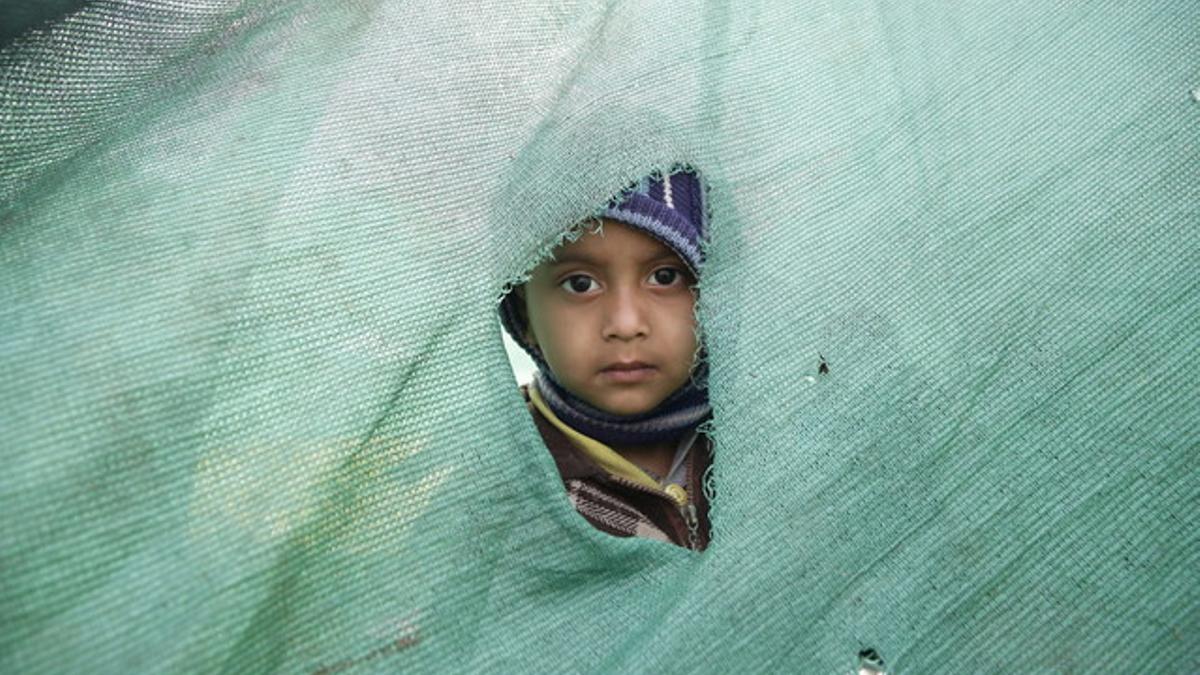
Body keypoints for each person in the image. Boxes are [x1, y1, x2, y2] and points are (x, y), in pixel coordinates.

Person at [499, 168, 712, 550]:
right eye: (580, 284)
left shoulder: (768, 444)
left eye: (666, 276)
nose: (626, 325)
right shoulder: (497, 489)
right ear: (523, 314)